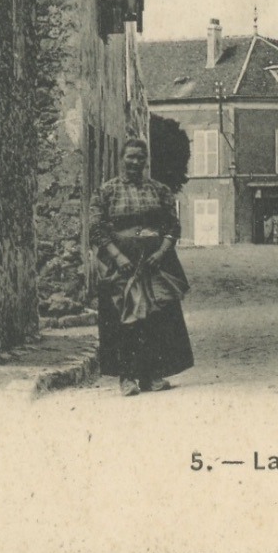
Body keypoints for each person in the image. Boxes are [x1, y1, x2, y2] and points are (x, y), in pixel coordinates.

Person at [90, 138, 195, 396]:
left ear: (146, 161)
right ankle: (127, 377)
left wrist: (161, 252)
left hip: (155, 263)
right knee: (125, 318)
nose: (135, 162)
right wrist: (118, 257)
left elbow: (173, 226)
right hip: (121, 266)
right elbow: (97, 228)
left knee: (156, 317)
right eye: (130, 157)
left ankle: (151, 375)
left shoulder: (159, 190)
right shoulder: (106, 191)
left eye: (140, 157)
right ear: (122, 159)